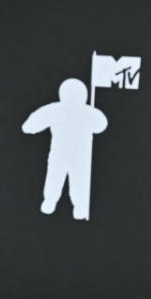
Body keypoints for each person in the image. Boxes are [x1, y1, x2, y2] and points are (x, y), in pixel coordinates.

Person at [22, 78, 107, 220]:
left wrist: (93, 115)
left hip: (72, 155)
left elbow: (101, 125)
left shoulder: (59, 110)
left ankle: (72, 205)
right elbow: (101, 125)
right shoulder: (79, 112)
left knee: (68, 179)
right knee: (69, 179)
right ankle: (62, 203)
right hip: (70, 155)